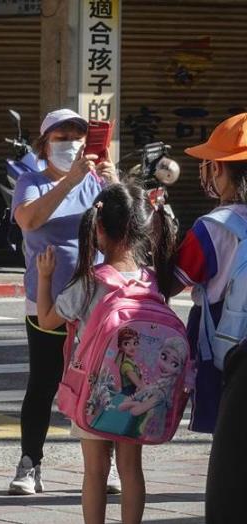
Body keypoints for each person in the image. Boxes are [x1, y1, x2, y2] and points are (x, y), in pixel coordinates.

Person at [33, 183, 176, 524]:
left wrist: (44, 277)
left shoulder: (90, 281)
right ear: (145, 229)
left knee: (95, 471)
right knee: (131, 470)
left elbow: (47, 320)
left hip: (95, 393)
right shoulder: (151, 280)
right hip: (140, 393)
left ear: (97, 229)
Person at [7, 109, 119, 496]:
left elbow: (127, 226)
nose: (70, 142)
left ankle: (107, 465)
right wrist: (69, 182)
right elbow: (29, 220)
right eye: (61, 136)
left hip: (96, 301)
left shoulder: (95, 183)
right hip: (46, 301)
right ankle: (29, 464)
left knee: (103, 382)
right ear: (44, 144)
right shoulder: (31, 181)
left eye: (77, 135)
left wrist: (114, 181)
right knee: (43, 382)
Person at [171, 113, 247, 523]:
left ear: (218, 168)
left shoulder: (214, 228)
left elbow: (172, 281)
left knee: (232, 470)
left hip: (234, 360)